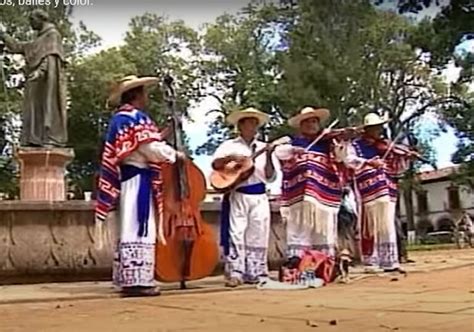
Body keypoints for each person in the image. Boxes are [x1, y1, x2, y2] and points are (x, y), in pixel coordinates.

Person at [95, 75, 185, 296]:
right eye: (144, 92)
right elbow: (148, 148)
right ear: (136, 94)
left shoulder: (121, 119)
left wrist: (165, 133)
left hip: (130, 179)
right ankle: (137, 281)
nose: (146, 96)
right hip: (137, 179)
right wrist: (175, 154)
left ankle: (127, 277)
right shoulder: (133, 117)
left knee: (129, 225)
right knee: (138, 226)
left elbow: (144, 141)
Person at [212, 107, 277, 287]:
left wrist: (270, 155)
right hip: (239, 193)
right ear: (240, 126)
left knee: (259, 233)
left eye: (255, 123)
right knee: (237, 233)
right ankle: (235, 272)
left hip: (260, 195)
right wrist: (233, 159)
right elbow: (216, 165)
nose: (252, 127)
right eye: (249, 123)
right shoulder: (229, 146)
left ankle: (256, 271)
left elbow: (271, 176)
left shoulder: (264, 147)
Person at [343, 113, 412, 273]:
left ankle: (390, 261)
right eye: (373, 128)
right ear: (366, 129)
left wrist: (405, 156)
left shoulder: (383, 145)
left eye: (379, 127)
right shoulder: (355, 145)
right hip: (367, 191)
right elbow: (349, 161)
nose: (377, 130)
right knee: (369, 225)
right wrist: (369, 162)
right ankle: (371, 261)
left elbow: (398, 168)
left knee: (387, 224)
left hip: (387, 190)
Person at [274, 107, 344, 260]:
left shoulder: (328, 144)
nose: (311, 125)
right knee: (298, 231)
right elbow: (279, 152)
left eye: (314, 121)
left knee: (323, 232)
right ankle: (298, 265)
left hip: (323, 197)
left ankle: (324, 265)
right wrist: (294, 150)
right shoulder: (293, 142)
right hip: (298, 197)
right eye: (307, 122)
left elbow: (341, 159)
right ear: (301, 125)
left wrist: (339, 143)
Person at [0, 9, 67, 147]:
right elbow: (19, 46)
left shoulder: (53, 35)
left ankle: (49, 137)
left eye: (32, 20)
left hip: (45, 81)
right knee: (34, 110)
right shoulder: (39, 39)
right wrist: (3, 35)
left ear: (41, 19)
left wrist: (40, 71)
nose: (30, 24)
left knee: (47, 107)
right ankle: (35, 139)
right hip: (35, 81)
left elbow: (51, 56)